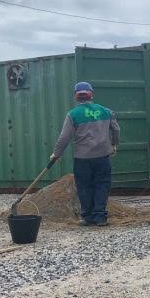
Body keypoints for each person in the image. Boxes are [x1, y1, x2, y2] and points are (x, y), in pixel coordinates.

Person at [51, 82, 120, 226]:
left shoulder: (73, 114)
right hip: (102, 157)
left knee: (84, 186)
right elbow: (116, 130)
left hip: (82, 158)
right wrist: (113, 144)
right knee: (102, 185)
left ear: (76, 96)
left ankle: (88, 217)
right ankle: (100, 217)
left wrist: (56, 154)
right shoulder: (106, 111)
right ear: (91, 94)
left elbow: (64, 137)